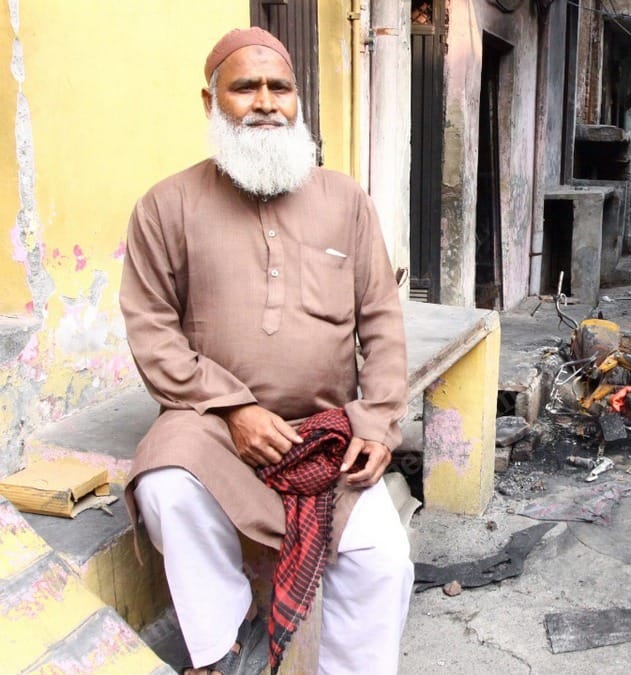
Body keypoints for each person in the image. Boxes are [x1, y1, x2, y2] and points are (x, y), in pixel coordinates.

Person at [119, 27, 413, 674]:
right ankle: (224, 648)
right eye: (244, 87)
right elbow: (151, 331)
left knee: (384, 558)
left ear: (297, 99)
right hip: (214, 425)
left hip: (324, 433)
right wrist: (234, 409)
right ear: (209, 101)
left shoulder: (346, 201)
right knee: (166, 484)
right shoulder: (166, 207)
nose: (265, 102)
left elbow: (383, 323)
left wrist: (379, 420)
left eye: (279, 87)